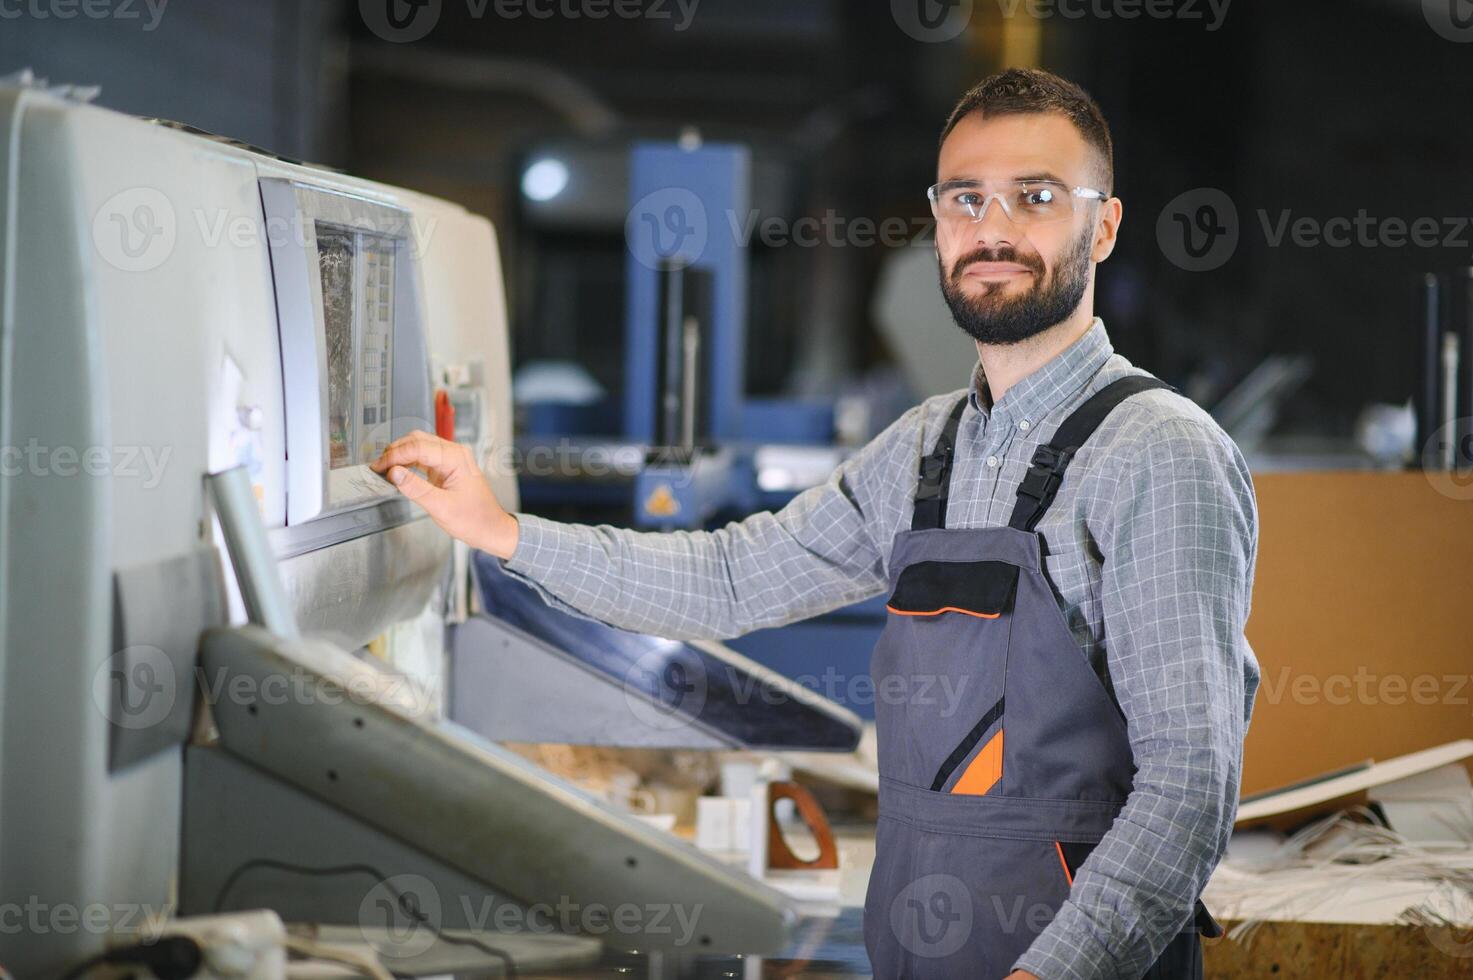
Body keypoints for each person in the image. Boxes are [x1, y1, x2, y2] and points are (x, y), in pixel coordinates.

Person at [372, 67, 1259, 980]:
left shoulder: (1159, 453)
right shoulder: (924, 449)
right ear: (937, 220)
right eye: (966, 198)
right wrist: (500, 529)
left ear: (1101, 225)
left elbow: (1189, 785)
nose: (992, 229)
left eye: (1035, 197)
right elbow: (727, 580)